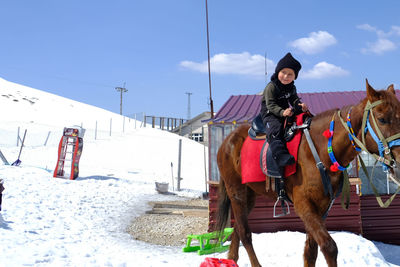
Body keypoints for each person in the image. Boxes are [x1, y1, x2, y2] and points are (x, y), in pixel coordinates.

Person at [259, 52, 308, 211]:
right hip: (270, 112)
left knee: (299, 122)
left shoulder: (291, 86)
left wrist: (300, 106)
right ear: (277, 72)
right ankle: (279, 154)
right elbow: (271, 104)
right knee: (276, 129)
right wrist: (282, 113)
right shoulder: (271, 87)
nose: (286, 76)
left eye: (290, 74)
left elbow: (294, 99)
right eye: (283, 72)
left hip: (284, 110)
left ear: (295, 77)